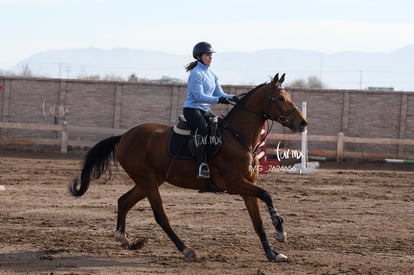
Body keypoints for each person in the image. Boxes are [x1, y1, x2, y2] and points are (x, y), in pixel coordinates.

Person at [183, 41, 237, 179]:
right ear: (199, 56)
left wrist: (235, 98)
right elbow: (199, 96)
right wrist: (219, 100)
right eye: (208, 55)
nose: (210, 57)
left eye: (211, 55)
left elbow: (220, 94)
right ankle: (201, 164)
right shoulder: (196, 73)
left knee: (220, 126)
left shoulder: (212, 75)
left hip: (204, 110)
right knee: (204, 128)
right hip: (192, 109)